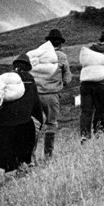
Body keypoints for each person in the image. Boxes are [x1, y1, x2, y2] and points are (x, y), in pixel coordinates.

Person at [0, 54, 43, 182]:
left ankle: (1, 175)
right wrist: (39, 120)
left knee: (2, 149)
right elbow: (35, 103)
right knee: (22, 147)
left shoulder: (7, 80)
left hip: (3, 122)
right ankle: (21, 170)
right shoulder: (30, 80)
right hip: (23, 121)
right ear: (28, 67)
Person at [32, 28, 72, 160]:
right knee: (51, 124)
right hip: (52, 95)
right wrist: (60, 84)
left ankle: (31, 157)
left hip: (35, 96)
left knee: (35, 126)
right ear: (60, 43)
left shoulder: (39, 55)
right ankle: (48, 156)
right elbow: (67, 78)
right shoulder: (61, 56)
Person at [78, 30, 104, 140]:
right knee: (100, 110)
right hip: (101, 84)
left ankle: (85, 135)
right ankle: (98, 133)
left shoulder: (90, 49)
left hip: (85, 84)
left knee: (86, 111)